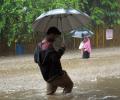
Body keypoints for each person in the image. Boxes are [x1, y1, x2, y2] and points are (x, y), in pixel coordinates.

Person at [34, 27, 73, 95]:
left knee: (50, 94)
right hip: (55, 76)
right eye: (55, 36)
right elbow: (56, 60)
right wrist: (62, 49)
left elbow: (35, 60)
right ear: (51, 34)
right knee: (69, 85)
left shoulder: (38, 46)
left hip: (46, 77)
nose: (55, 39)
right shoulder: (49, 47)